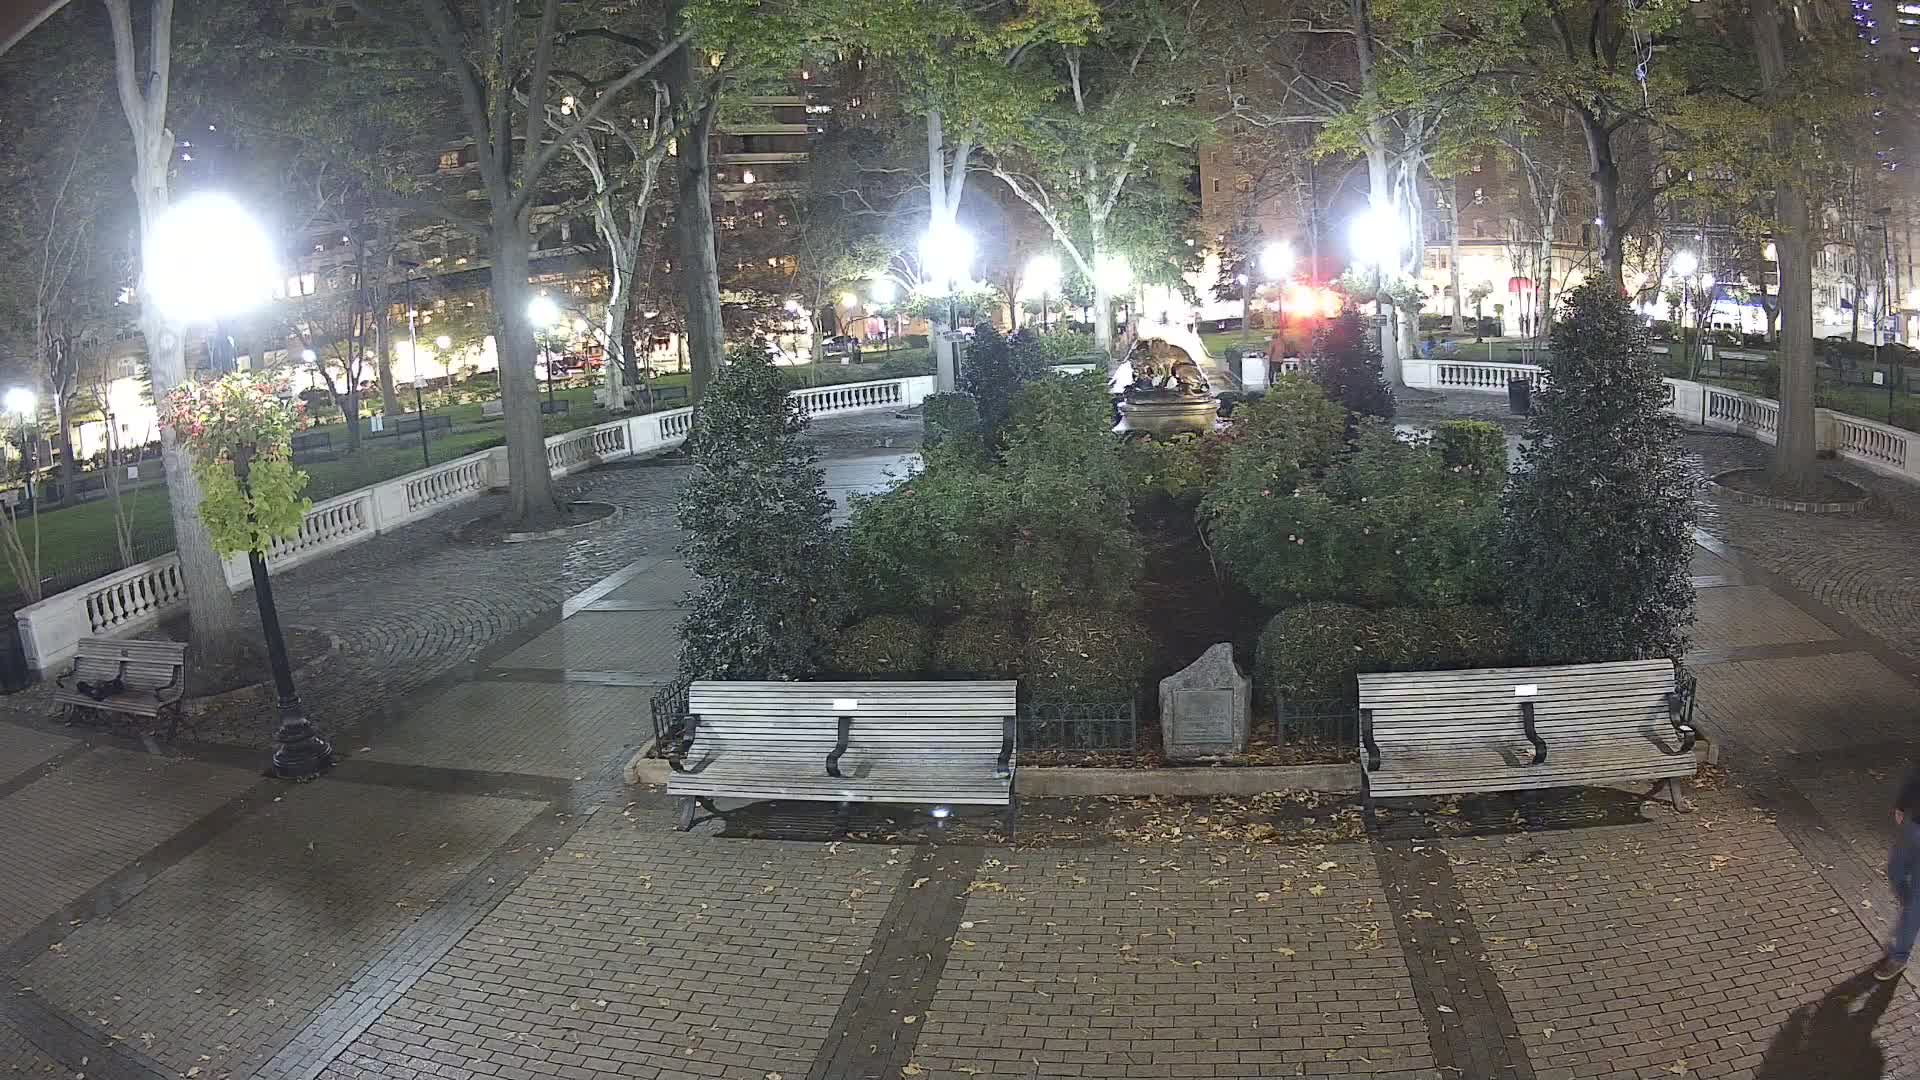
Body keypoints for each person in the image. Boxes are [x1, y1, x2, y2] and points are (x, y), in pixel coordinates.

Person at [1877, 766, 1920, 980]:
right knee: (1895, 871)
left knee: (1915, 903)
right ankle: (1912, 914)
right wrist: (1902, 803)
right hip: (1914, 823)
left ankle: (1899, 956)